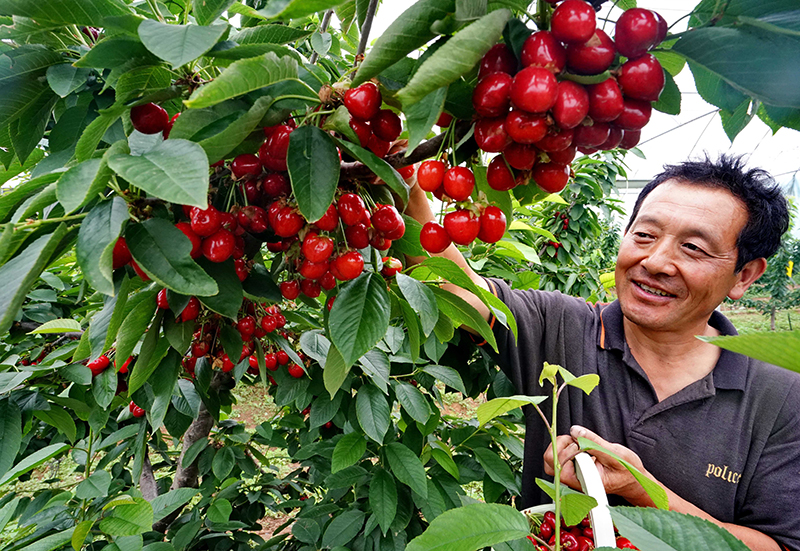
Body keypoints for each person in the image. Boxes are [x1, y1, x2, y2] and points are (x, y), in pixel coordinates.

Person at [404, 155, 800, 551]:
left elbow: (779, 546)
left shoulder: (781, 396)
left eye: (693, 248)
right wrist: (401, 179)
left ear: (744, 275)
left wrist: (642, 491)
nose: (656, 261)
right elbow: (455, 288)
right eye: (644, 235)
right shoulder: (560, 326)